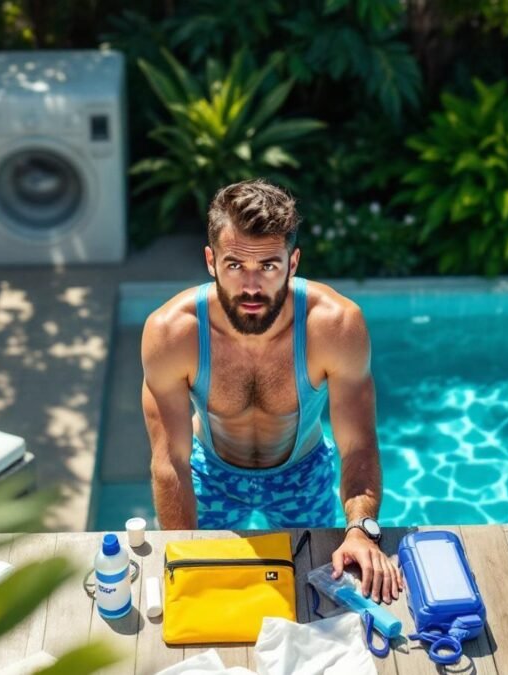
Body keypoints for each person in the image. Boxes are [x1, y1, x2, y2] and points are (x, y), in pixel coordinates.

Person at [140, 179, 402, 602]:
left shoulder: (334, 326)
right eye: (235, 265)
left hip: (302, 472)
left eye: (268, 266)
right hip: (213, 473)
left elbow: (357, 444)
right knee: (199, 587)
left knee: (313, 587)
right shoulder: (173, 333)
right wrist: (182, 548)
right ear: (210, 261)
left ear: (293, 262)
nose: (251, 287)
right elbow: (171, 458)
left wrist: (360, 531)